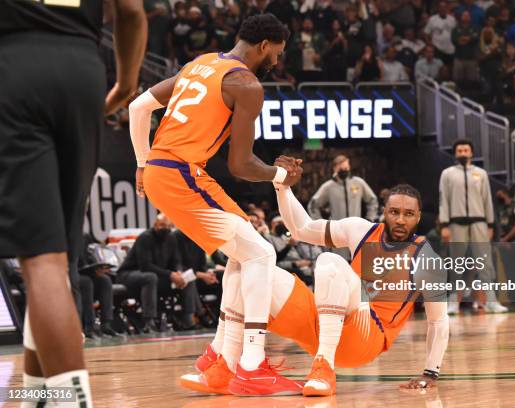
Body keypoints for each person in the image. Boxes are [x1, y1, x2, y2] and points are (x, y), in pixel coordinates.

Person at [128, 14, 304, 395]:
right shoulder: (246, 84)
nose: (277, 59)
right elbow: (240, 165)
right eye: (278, 51)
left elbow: (138, 108)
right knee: (261, 254)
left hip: (168, 169)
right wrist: (279, 176)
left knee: (245, 255)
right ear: (264, 46)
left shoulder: (202, 63)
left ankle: (220, 359)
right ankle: (251, 365)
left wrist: (142, 164)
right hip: (181, 173)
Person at [0, 0, 146, 405]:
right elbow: (132, 12)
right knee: (56, 263)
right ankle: (38, 397)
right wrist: (125, 87)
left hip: (16, 67)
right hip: (83, 72)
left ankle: (72, 401)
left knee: (41, 261)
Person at [182, 183, 449, 397]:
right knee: (245, 263)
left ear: (418, 217)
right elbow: (302, 229)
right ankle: (226, 366)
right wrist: (282, 187)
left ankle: (324, 368)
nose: (400, 219)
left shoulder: (426, 258)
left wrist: (430, 373)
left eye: (409, 214)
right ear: (384, 211)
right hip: (322, 325)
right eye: (395, 212)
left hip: (367, 336)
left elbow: (438, 321)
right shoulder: (361, 230)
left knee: (329, 261)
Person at [438, 139, 508, 314]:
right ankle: (453, 302)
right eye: (460, 150)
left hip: (479, 222)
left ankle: (491, 301)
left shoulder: (481, 174)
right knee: (456, 263)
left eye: (466, 150)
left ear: (471, 153)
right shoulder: (447, 174)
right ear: (456, 154)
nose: (463, 153)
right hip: (455, 222)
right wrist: (445, 224)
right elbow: (443, 200)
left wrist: (490, 224)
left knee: (485, 262)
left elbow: (487, 200)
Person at [117, 214, 201, 331]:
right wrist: (170, 275)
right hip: (129, 274)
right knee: (150, 277)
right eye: (162, 225)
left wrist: (178, 273)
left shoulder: (171, 238)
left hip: (157, 276)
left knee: (187, 278)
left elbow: (176, 261)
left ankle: (188, 318)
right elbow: (145, 266)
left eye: (168, 226)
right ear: (155, 225)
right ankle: (149, 322)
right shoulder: (145, 237)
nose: (165, 228)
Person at [308, 155, 378, 260]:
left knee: (359, 267)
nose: (344, 170)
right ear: (335, 168)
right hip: (337, 234)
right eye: (341, 168)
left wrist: (369, 219)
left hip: (357, 232)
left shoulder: (358, 183)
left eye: (346, 168)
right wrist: (322, 225)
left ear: (349, 167)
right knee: (339, 267)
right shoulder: (329, 186)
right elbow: (313, 205)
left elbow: (372, 200)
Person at [423, 1, 456, 66]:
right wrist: (429, 43)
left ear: (447, 8)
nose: (443, 9)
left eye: (444, 7)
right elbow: (425, 33)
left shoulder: (452, 19)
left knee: (449, 70)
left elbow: (455, 33)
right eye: (441, 7)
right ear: (438, 8)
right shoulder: (432, 19)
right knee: (439, 70)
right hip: (437, 50)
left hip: (450, 49)